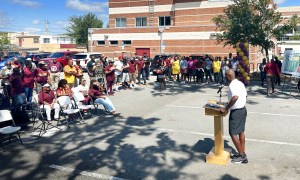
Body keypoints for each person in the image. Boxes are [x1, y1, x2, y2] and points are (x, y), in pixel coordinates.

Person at [220, 69, 248, 164]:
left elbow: (235, 97)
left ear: (228, 76)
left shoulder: (232, 85)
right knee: (241, 131)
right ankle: (242, 152)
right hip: (243, 109)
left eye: (225, 76)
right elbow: (245, 95)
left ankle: (242, 156)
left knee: (233, 133)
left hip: (236, 112)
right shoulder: (240, 83)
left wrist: (226, 108)